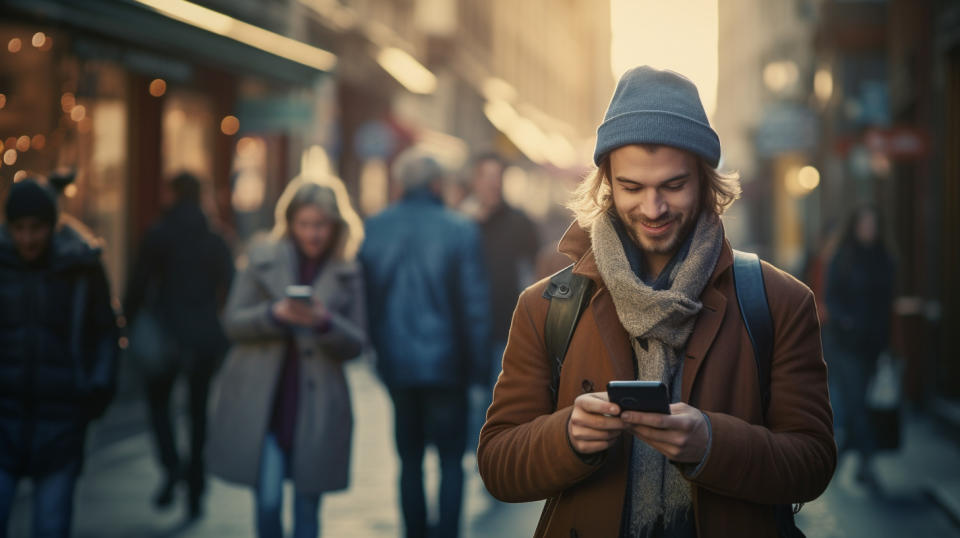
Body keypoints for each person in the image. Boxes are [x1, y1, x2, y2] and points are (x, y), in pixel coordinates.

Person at [478, 66, 836, 537]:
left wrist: (712, 442)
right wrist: (567, 436)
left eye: (672, 186)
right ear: (606, 182)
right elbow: (498, 464)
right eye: (631, 187)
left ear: (706, 181)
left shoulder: (779, 301)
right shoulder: (545, 307)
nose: (652, 209)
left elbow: (812, 462)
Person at [207, 177, 366, 538]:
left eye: (321, 225)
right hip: (266, 402)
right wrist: (274, 315)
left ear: (336, 226)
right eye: (305, 224)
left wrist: (325, 322)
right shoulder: (261, 257)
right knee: (268, 502)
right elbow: (232, 323)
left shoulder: (348, 270)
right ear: (291, 223)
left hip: (317, 404)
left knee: (307, 509)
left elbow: (358, 342)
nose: (313, 234)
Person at [359, 147, 490, 538]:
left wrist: (377, 353)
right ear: (436, 183)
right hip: (448, 366)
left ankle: (415, 531)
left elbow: (366, 299)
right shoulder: (460, 228)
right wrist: (480, 369)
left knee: (409, 457)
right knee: (451, 459)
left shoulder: (376, 227)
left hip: (397, 363)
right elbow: (475, 307)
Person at [0, 178, 119, 537]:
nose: (28, 238)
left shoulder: (81, 266)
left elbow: (105, 333)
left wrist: (95, 393)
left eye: (36, 228)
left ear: (52, 226)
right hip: (2, 419)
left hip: (62, 422)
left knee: (51, 525)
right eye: (19, 228)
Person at [124, 172, 235, 519]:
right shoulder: (216, 239)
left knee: (159, 407)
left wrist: (125, 326)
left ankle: (172, 465)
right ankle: (196, 485)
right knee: (199, 414)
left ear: (172, 194)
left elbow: (137, 286)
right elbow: (230, 290)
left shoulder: (158, 234)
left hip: (165, 334)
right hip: (204, 337)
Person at [467, 153, 539, 447]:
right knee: (472, 403)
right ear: (476, 180)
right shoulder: (463, 223)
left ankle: (493, 461)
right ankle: (475, 459)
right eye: (487, 178)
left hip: (506, 326)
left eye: (497, 178)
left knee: (498, 401)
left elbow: (531, 274)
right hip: (469, 330)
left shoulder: (520, 222)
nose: (492, 185)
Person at [824, 205, 895, 487]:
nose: (869, 229)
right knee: (856, 401)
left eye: (873, 224)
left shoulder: (884, 259)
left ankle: (838, 456)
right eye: (865, 224)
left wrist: (886, 343)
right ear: (855, 226)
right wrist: (847, 322)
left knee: (863, 401)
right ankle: (865, 462)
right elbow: (831, 298)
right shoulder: (842, 257)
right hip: (845, 343)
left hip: (874, 344)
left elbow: (886, 303)